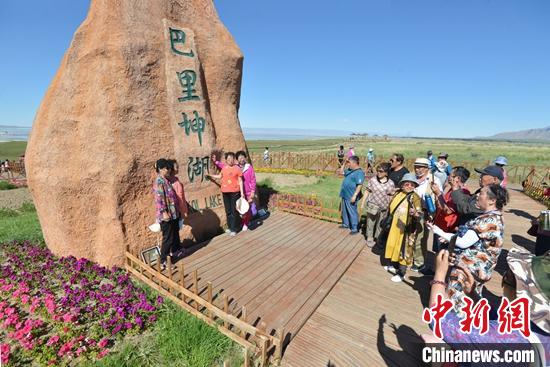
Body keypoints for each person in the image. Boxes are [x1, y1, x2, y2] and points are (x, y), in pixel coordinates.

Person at [424, 248, 549, 365]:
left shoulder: (507, 336)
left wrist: (439, 275)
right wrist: (473, 294)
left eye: (510, 276)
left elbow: (439, 321)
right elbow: (499, 317)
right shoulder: (536, 325)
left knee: (433, 346)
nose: (505, 276)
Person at [427, 184, 509, 311]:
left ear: (492, 201)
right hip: (478, 269)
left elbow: (463, 242)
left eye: (481, 193)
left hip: (467, 268)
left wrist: (438, 230)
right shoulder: (496, 217)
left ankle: (449, 327)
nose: (477, 195)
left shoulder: (487, 221)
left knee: (456, 305)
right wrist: (449, 237)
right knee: (469, 302)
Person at [383, 173, 423, 283]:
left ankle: (401, 273)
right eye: (407, 184)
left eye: (412, 185)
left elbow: (419, 214)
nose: (409, 186)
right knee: (392, 245)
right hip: (394, 227)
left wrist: (415, 213)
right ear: (402, 185)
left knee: (405, 250)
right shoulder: (398, 193)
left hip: (406, 229)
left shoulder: (415, 197)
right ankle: (393, 263)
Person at [213, 151, 257, 231]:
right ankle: (243, 222)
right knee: (240, 208)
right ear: (237, 159)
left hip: (247, 191)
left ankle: (246, 223)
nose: (241, 159)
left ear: (245, 158)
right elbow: (224, 166)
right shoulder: (236, 167)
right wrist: (216, 162)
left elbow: (253, 180)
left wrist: (253, 191)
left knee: (248, 209)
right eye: (239, 158)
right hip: (238, 191)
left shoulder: (249, 168)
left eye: (243, 157)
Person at [412, 158, 442, 274]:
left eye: (421, 167)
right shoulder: (412, 177)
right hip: (410, 211)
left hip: (425, 212)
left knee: (420, 238)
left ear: (428, 168)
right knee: (409, 235)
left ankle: (418, 263)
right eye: (416, 167)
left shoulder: (435, 180)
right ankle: (409, 257)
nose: (418, 169)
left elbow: (440, 197)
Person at [430, 166, 471, 253]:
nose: (448, 176)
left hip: (447, 229)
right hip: (440, 225)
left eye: (451, 175)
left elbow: (447, 211)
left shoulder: (462, 193)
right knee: (438, 253)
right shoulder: (452, 190)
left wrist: (438, 194)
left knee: (442, 254)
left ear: (457, 178)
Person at [153, 158, 183, 269]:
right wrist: (164, 212)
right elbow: (159, 199)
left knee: (172, 236)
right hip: (166, 215)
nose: (168, 170)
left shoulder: (166, 180)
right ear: (160, 169)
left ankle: (168, 258)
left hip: (172, 213)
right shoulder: (159, 181)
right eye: (166, 168)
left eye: (169, 168)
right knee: (168, 238)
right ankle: (163, 261)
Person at [207, 152, 244, 236]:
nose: (230, 160)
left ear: (234, 159)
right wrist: (210, 175)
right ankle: (230, 227)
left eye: (232, 159)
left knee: (234, 211)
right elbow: (220, 176)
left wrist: (242, 193)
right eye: (228, 159)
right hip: (225, 192)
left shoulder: (237, 168)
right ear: (226, 160)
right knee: (228, 211)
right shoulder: (224, 168)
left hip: (235, 192)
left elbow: (240, 181)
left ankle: (234, 229)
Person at [360, 162, 395, 248]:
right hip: (372, 205)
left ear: (386, 172)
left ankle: (378, 238)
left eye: (381, 171)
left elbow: (391, 196)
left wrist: (390, 208)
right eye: (377, 171)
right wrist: (363, 203)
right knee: (370, 222)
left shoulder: (391, 183)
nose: (378, 173)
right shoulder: (373, 180)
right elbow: (367, 191)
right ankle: (369, 238)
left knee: (381, 224)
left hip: (384, 207)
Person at [339, 156, 365, 235]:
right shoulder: (350, 170)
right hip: (345, 194)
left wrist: (355, 195)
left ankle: (354, 228)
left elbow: (360, 185)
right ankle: (346, 224)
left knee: (352, 211)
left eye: (349, 163)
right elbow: (341, 172)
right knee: (345, 210)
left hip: (351, 195)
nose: (348, 164)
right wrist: (344, 163)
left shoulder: (359, 172)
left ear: (354, 163)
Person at [167, 159, 189, 231]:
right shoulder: (175, 182)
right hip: (177, 210)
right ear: (171, 169)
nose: (178, 168)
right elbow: (180, 197)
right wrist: (183, 211)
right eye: (176, 167)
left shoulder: (169, 180)